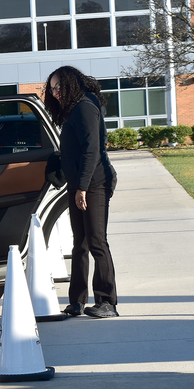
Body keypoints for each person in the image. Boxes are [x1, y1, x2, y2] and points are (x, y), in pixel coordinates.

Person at [44, 66, 119, 319]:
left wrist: (83, 188)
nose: (55, 93)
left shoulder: (85, 106)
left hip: (95, 183)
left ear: (71, 84)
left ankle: (107, 302)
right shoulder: (73, 109)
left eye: (58, 87)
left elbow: (92, 150)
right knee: (80, 244)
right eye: (52, 89)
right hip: (79, 184)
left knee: (97, 241)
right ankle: (76, 301)